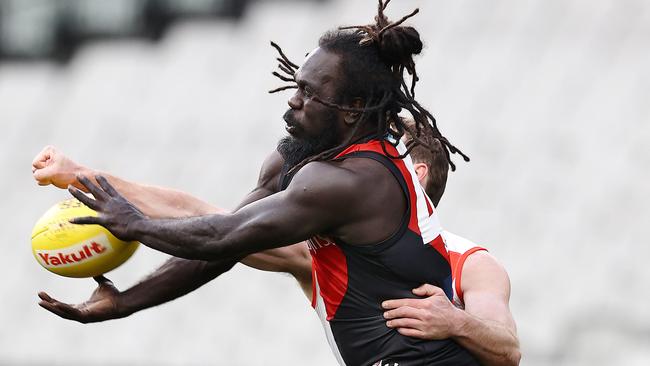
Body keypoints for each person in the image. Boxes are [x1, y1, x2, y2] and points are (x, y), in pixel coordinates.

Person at [34, 2, 480, 365]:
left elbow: (220, 235)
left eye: (311, 92)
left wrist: (134, 224)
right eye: (296, 85)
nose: (294, 100)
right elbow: (229, 242)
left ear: (353, 108)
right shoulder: (306, 158)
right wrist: (124, 302)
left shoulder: (353, 180)